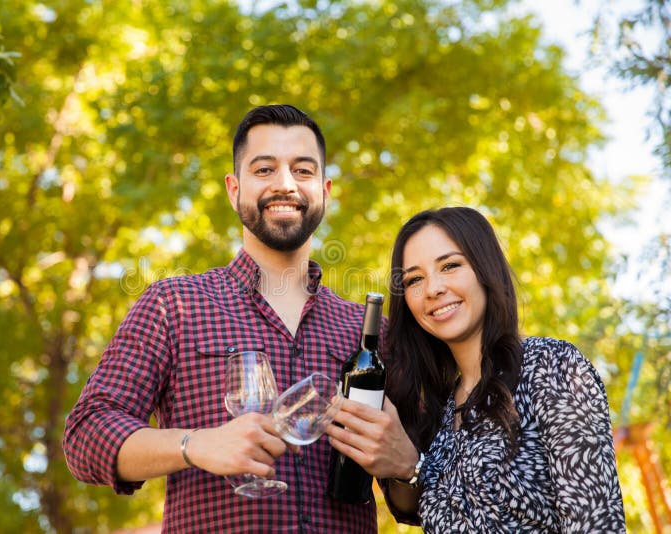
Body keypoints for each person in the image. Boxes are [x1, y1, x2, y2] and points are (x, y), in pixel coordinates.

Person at [63, 104, 379, 532]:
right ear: (234, 189)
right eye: (264, 170)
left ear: (325, 191)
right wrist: (195, 444)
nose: (285, 184)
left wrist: (404, 461)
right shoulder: (173, 305)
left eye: (302, 171)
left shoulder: (366, 332)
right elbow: (86, 436)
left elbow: (424, 488)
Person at [325, 206, 626, 532]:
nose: (433, 289)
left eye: (450, 266)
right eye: (415, 279)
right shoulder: (439, 416)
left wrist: (413, 467)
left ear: (485, 270)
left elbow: (597, 523)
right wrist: (409, 468)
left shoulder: (553, 367)